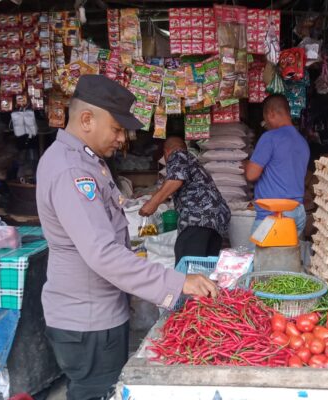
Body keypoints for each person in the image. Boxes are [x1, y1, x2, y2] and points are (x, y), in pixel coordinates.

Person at [36, 75, 217, 400]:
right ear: (87, 119)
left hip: (96, 311)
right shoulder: (72, 171)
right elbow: (102, 253)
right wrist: (177, 283)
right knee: (96, 392)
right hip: (88, 320)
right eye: (117, 129)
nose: (123, 139)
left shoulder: (84, 161)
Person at [139, 137, 231, 263]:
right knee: (205, 268)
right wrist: (152, 197)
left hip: (198, 220)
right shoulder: (191, 162)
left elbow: (176, 180)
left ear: (166, 152)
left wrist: (152, 204)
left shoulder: (177, 154)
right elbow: (171, 184)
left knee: (187, 266)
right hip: (215, 221)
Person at [244, 94, 310, 237]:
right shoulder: (302, 142)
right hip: (297, 212)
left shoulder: (270, 138)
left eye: (265, 120)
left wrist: (245, 165)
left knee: (259, 259)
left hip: (275, 214)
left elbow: (251, 174)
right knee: (286, 258)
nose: (265, 124)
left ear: (271, 114)